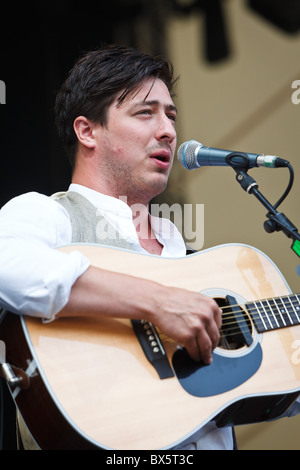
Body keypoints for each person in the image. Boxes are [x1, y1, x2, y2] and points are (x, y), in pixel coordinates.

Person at [0, 44, 237, 450]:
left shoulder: (189, 253)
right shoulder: (47, 215)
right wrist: (157, 301)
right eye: (145, 112)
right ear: (87, 130)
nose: (168, 130)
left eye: (171, 114)